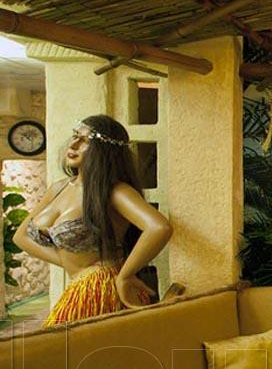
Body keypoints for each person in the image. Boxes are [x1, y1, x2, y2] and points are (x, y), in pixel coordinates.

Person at [13, 115, 173, 326]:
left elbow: (159, 227)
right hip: (79, 287)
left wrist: (125, 275)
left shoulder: (114, 191)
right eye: (75, 136)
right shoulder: (58, 188)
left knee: (65, 345)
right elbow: (21, 236)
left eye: (85, 140)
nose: (73, 144)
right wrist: (71, 263)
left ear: (104, 150)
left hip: (101, 289)